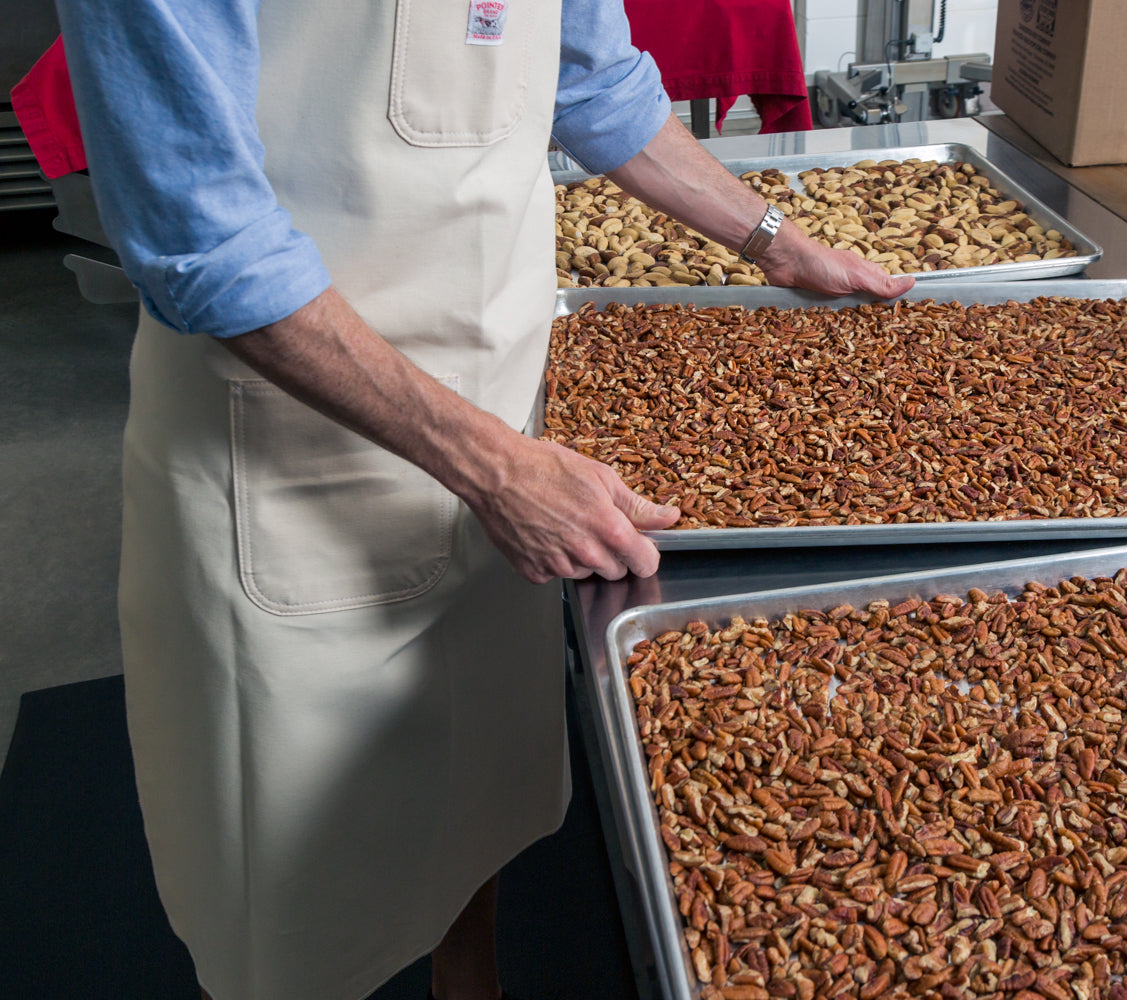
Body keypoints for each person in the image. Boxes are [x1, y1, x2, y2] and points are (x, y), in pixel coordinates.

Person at [53, 0, 913, 998]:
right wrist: (492, 467)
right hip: (290, 459)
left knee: (478, 794)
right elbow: (201, 234)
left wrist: (776, 241)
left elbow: (592, 80)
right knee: (296, 878)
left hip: (503, 418)